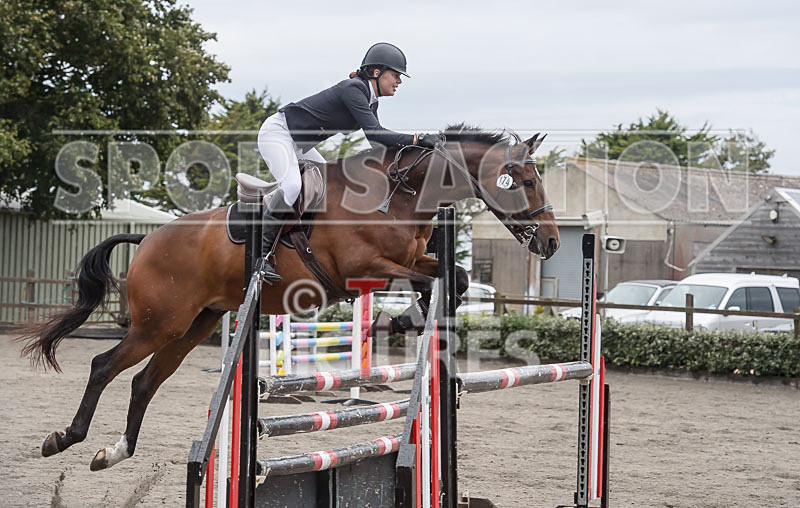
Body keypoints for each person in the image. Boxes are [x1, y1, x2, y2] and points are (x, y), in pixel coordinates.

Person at [256, 42, 440, 280]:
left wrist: (416, 146)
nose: (399, 81)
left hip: (299, 144)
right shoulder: (353, 89)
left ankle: (302, 241)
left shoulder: (371, 99)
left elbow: (378, 143)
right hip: (278, 134)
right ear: (377, 72)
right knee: (292, 186)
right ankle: (260, 257)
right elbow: (376, 135)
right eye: (395, 75)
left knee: (325, 183)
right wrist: (419, 138)